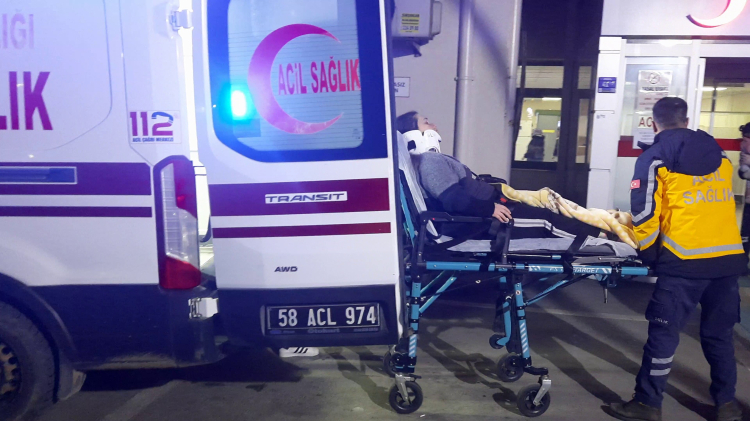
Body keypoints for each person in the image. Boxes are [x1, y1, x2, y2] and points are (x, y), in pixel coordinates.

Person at [609, 97, 746, 421]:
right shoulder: (718, 154)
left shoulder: (654, 158)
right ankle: (727, 405)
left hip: (683, 260)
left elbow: (645, 215)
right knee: (719, 336)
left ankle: (647, 403)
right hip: (727, 260)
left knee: (664, 334)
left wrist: (645, 252)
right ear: (686, 120)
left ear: (654, 123)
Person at [395, 111, 602, 241]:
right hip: (482, 222)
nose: (434, 126)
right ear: (412, 134)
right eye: (426, 122)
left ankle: (600, 230)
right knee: (547, 221)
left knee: (551, 212)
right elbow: (454, 199)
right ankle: (600, 242)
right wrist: (490, 209)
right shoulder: (429, 162)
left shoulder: (429, 161)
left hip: (487, 213)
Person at [737, 123, 750, 255]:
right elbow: (743, 174)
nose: (742, 145)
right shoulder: (745, 155)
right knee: (745, 238)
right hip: (748, 203)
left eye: (745, 141)